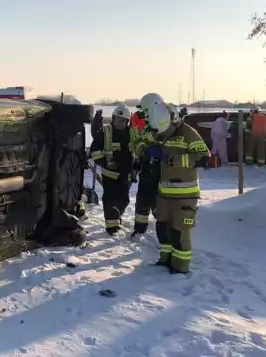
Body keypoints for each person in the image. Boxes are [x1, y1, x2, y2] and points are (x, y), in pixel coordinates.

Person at [146, 102, 211, 274]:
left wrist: (176, 160)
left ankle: (180, 267)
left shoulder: (189, 134)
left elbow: (205, 158)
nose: (161, 134)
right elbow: (148, 142)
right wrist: (147, 150)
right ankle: (165, 259)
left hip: (185, 195)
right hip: (164, 193)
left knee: (179, 233)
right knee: (162, 229)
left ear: (174, 120)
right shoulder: (161, 131)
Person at [89, 104, 133, 235]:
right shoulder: (105, 132)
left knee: (124, 199)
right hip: (110, 174)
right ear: (113, 118)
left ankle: (115, 217)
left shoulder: (132, 133)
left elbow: (136, 150)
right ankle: (112, 228)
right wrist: (105, 163)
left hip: (126, 174)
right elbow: (95, 150)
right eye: (118, 119)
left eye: (124, 120)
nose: (121, 122)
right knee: (110, 199)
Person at [129, 97, 160, 238]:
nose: (141, 112)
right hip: (147, 167)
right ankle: (139, 229)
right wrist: (141, 154)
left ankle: (163, 231)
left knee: (158, 202)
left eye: (143, 109)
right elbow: (137, 142)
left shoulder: (163, 124)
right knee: (142, 199)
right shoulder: (144, 125)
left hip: (161, 170)